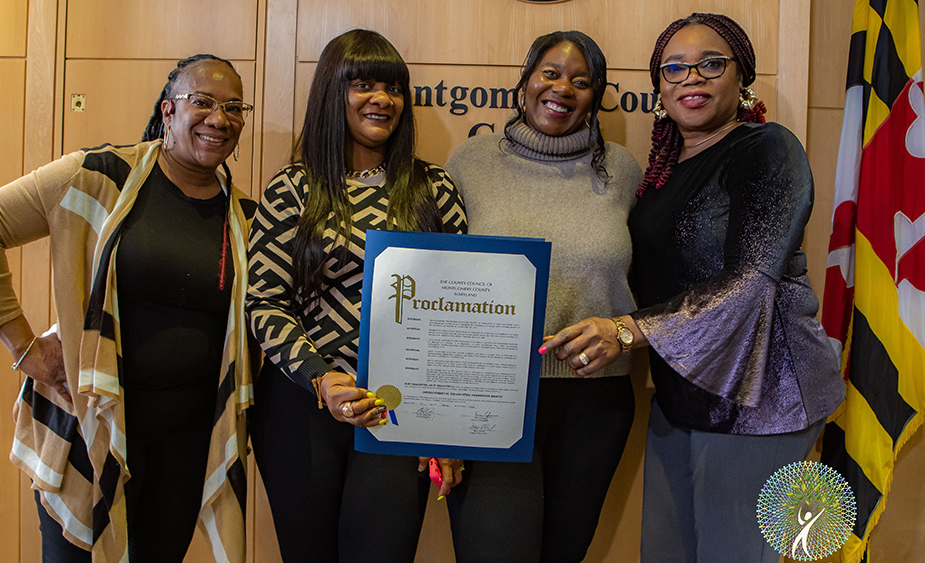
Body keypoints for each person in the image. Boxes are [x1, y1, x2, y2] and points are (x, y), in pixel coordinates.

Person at [541, 13, 846, 562]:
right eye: (674, 68)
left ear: (741, 77)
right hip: (681, 392)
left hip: (762, 399)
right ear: (658, 87)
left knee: (737, 554)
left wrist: (629, 331)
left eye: (711, 64)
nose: (692, 78)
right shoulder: (662, 170)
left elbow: (753, 279)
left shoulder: (768, 149)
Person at [0, 54, 257, 562]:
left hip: (184, 446)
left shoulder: (245, 218)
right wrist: (24, 348)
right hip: (92, 429)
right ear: (168, 111)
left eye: (234, 108)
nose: (219, 119)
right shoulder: (95, 175)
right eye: (201, 102)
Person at [246, 29, 467, 563]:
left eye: (393, 88)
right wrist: (322, 378)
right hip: (302, 408)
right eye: (363, 84)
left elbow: (459, 313)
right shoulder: (293, 188)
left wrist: (447, 428)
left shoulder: (433, 189)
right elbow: (264, 302)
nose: (382, 99)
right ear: (332, 92)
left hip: (398, 411)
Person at [442, 31, 642, 562]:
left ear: (596, 96)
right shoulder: (469, 162)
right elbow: (440, 282)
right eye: (550, 73)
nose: (562, 89)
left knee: (564, 552)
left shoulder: (623, 170)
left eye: (582, 81)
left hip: (593, 401)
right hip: (489, 393)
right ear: (526, 80)